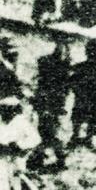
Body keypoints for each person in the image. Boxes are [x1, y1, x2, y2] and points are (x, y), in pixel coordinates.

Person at [0, 95, 40, 190]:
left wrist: (19, 146)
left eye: (9, 110)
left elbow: (35, 139)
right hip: (2, 158)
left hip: (15, 158)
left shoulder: (20, 122)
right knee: (3, 186)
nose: (6, 113)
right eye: (3, 109)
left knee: (14, 183)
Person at [29, 40, 69, 171]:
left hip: (45, 104)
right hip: (52, 105)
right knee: (50, 132)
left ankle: (43, 158)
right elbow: (64, 89)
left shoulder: (44, 63)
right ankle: (57, 158)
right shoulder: (62, 68)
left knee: (46, 132)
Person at [69, 39, 96, 147]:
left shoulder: (79, 67)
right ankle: (85, 138)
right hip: (92, 97)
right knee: (89, 117)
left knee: (79, 117)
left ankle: (77, 136)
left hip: (83, 97)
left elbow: (72, 81)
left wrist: (77, 91)